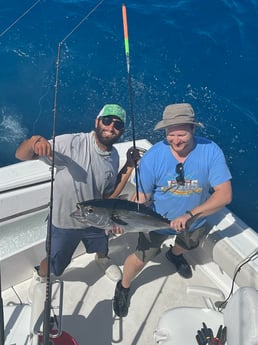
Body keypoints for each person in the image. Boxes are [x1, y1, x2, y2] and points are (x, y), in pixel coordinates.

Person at [113, 102, 232, 317]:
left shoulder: (211, 151)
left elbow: (224, 194)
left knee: (186, 244)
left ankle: (174, 256)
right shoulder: (154, 156)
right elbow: (143, 195)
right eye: (171, 134)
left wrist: (189, 215)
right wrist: (127, 217)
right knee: (140, 258)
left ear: (193, 129)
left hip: (194, 221)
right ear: (165, 132)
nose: (176, 140)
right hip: (155, 221)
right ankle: (124, 285)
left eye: (182, 135)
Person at [15, 104, 141, 297]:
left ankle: (101, 260)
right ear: (97, 122)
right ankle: (41, 276)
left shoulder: (114, 155)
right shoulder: (71, 143)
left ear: (122, 131)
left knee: (102, 247)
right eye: (107, 120)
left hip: (96, 220)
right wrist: (34, 141)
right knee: (54, 262)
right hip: (64, 223)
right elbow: (21, 155)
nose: (111, 127)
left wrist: (129, 166)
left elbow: (108, 197)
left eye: (118, 125)